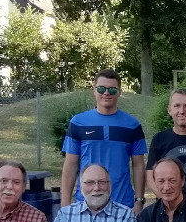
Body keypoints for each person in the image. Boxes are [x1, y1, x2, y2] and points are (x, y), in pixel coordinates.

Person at [61, 69, 147, 214]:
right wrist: (65, 203)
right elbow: (70, 164)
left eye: (112, 90)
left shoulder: (133, 125)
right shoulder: (77, 123)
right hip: (85, 203)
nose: (106, 93)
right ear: (94, 91)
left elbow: (138, 165)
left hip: (123, 204)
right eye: (101, 89)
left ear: (119, 92)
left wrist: (139, 200)